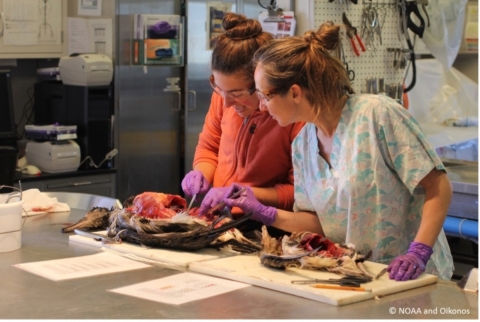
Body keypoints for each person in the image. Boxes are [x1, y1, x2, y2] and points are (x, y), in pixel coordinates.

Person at [218, 21, 454, 281]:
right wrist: (265, 212)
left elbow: (438, 186)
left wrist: (418, 252)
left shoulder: (377, 115)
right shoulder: (303, 145)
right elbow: (317, 223)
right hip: (360, 275)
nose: (262, 107)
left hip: (413, 274)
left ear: (295, 93)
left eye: (265, 95)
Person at [181, 12, 304, 219]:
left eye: (237, 93)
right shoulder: (223, 98)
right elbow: (209, 147)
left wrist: (248, 195)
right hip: (218, 217)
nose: (227, 103)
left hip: (268, 223)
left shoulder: (293, 115)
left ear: (262, 82)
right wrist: (201, 172)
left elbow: (299, 192)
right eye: (219, 89)